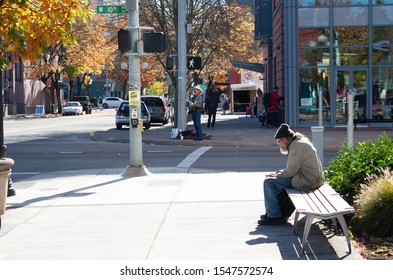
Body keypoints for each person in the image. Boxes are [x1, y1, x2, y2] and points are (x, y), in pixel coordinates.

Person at [258, 123, 324, 226]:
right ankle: (273, 213)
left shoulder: (297, 146)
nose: (278, 144)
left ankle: (274, 216)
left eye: (279, 141)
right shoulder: (298, 143)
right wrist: (277, 173)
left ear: (285, 139)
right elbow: (292, 169)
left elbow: (290, 172)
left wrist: (276, 175)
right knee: (276, 182)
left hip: (307, 181)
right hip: (311, 179)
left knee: (269, 183)